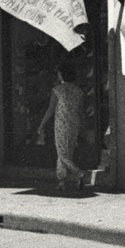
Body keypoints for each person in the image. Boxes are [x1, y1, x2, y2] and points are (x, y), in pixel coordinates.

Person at [37, 63, 85, 192]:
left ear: (61, 74)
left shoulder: (57, 90)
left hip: (61, 125)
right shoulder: (78, 91)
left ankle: (78, 173)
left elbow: (50, 110)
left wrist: (42, 124)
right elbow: (81, 112)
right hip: (74, 124)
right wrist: (82, 127)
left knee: (62, 154)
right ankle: (62, 181)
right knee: (68, 152)